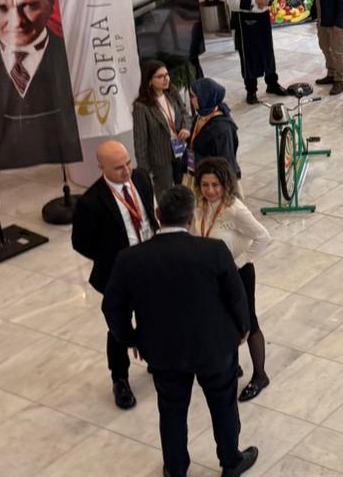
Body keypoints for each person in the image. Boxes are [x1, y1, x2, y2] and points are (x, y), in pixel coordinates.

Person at [103, 185, 257, 477]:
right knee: (223, 405)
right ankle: (230, 462)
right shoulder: (213, 251)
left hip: (163, 350)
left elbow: (112, 307)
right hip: (214, 346)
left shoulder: (130, 259)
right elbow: (236, 296)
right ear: (191, 218)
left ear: (157, 215)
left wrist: (131, 339)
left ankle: (176, 472)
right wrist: (243, 328)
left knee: (171, 409)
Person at [70, 140, 157, 409]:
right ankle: (120, 378)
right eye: (119, 168)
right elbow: (80, 243)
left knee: (153, 315)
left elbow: (149, 215)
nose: (127, 171)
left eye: (128, 163)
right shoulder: (91, 201)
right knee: (118, 327)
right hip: (119, 273)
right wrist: (111, 257)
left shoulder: (141, 179)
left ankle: (155, 357)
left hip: (149, 262)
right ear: (101, 168)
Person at [0, 0, 82, 171]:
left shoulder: (74, 57)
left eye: (28, 5)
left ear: (50, 2)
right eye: (1, 8)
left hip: (63, 169)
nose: (17, 21)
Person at [194, 157, 272, 401]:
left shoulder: (235, 209)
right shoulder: (199, 205)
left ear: (225, 184)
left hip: (238, 273)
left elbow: (263, 237)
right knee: (222, 318)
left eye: (215, 185)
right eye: (205, 185)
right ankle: (232, 366)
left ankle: (260, 375)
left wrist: (237, 264)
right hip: (213, 274)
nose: (209, 190)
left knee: (248, 321)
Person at [132, 59, 190, 199]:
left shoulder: (172, 93)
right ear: (149, 81)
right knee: (165, 194)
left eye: (167, 74)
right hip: (160, 158)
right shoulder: (141, 106)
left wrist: (185, 128)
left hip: (180, 149)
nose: (166, 79)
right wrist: (144, 171)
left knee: (184, 188)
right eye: (160, 76)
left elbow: (184, 113)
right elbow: (140, 141)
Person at [188, 76, 240, 177]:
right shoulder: (201, 115)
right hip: (200, 172)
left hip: (214, 178)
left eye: (193, 96)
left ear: (204, 97)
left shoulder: (221, 129)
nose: (190, 100)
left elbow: (224, 163)